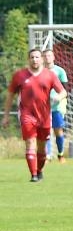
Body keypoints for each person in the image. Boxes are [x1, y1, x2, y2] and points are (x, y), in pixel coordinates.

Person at [2, 48, 67, 182]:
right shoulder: (19, 75)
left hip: (44, 116)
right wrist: (6, 116)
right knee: (30, 142)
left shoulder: (50, 75)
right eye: (32, 57)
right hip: (27, 115)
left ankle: (39, 170)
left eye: (37, 57)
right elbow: (9, 96)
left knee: (42, 147)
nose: (34, 60)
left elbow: (63, 92)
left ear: (42, 59)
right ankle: (33, 175)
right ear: (28, 59)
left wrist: (59, 97)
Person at [43, 49, 69, 163]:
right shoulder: (40, 72)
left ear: (53, 57)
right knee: (46, 130)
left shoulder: (60, 71)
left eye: (49, 55)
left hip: (57, 106)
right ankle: (47, 156)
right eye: (45, 56)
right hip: (44, 106)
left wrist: (58, 98)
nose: (47, 58)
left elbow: (64, 90)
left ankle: (60, 154)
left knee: (58, 130)